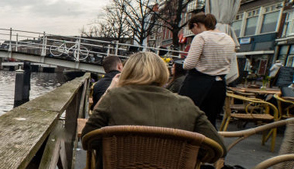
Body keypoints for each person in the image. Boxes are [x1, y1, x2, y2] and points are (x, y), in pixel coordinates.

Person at [82, 51, 225, 154]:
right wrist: (191, 157)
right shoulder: (187, 105)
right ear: (164, 72)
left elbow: (87, 139)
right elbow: (218, 147)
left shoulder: (114, 98)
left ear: (127, 72)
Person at [179, 13, 236, 127]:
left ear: (196, 25)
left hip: (198, 84)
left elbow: (189, 65)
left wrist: (185, 62)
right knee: (210, 121)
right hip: (219, 85)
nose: (194, 33)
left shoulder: (201, 37)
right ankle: (209, 143)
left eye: (192, 29)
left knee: (189, 118)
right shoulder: (228, 38)